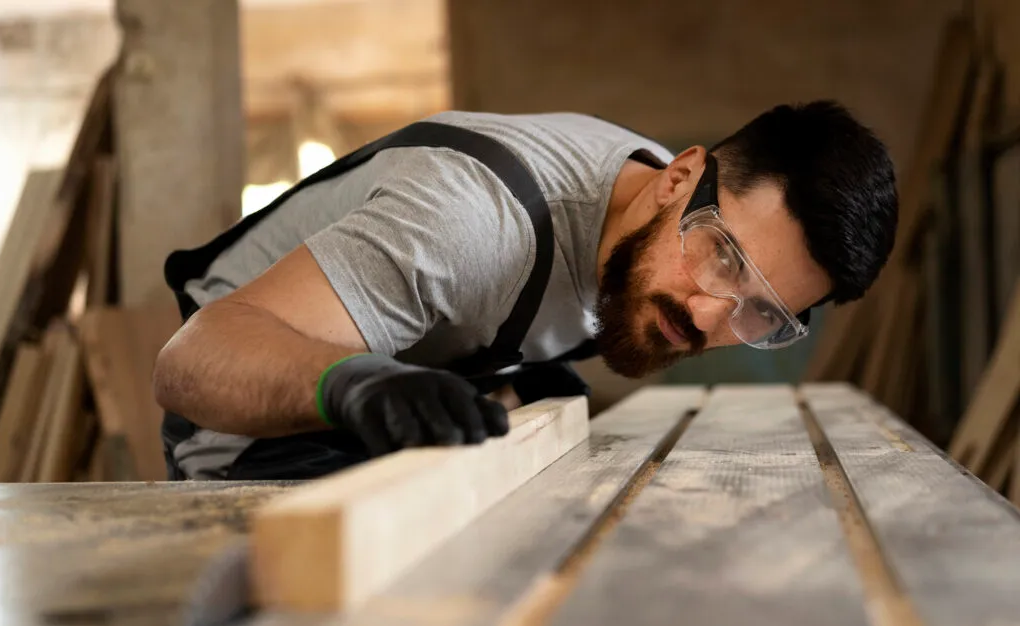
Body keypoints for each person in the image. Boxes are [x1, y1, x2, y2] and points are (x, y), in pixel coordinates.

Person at [153, 101, 898, 481]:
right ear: (677, 176)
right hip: (245, 428)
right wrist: (345, 385)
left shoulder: (645, 214)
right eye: (724, 257)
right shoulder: (468, 222)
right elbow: (190, 365)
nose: (710, 314)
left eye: (761, 310)